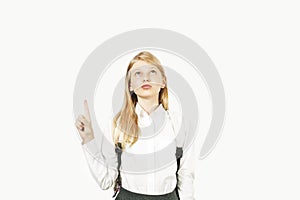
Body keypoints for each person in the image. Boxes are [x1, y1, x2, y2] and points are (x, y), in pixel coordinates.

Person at [75, 51, 195, 199]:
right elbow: (106, 181)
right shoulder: (117, 125)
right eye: (138, 73)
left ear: (163, 81)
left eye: (152, 71)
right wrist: (89, 139)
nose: (145, 78)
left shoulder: (179, 124)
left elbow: (186, 175)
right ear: (130, 85)